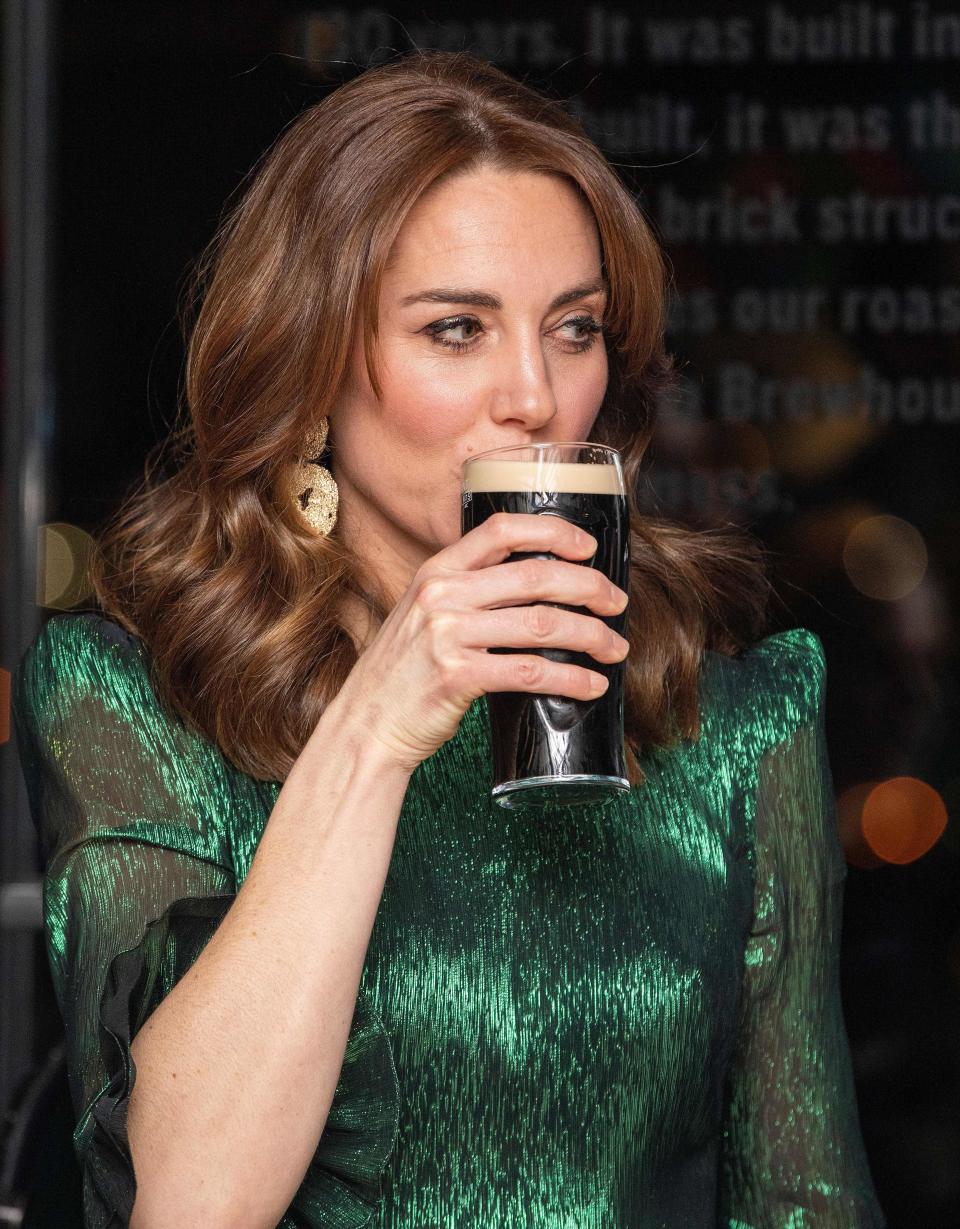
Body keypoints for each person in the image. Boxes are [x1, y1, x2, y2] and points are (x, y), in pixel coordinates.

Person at [12, 48, 886, 1229]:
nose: (533, 392)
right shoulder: (139, 700)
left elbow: (807, 1199)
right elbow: (190, 1200)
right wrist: (375, 726)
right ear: (315, 363)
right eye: (458, 328)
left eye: (573, 330)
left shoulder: (729, 718)